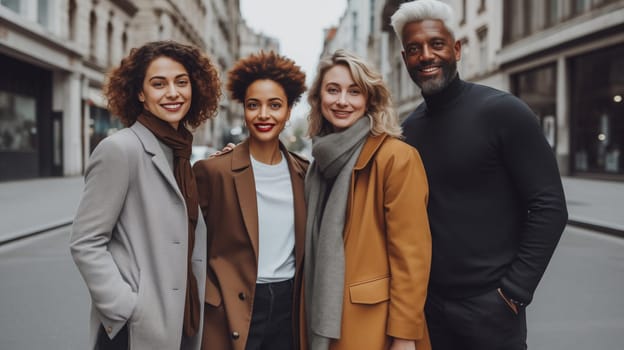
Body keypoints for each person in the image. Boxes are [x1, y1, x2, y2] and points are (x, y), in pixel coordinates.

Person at [390, 1, 569, 349]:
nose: (426, 55)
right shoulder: (407, 131)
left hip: (491, 311)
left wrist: (514, 292)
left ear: (456, 49)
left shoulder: (504, 112)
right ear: (405, 58)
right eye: (414, 49)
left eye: (436, 44)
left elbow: (550, 206)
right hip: (429, 311)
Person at [70, 40, 221, 350]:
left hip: (178, 321)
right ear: (140, 93)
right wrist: (126, 308)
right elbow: (86, 242)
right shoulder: (120, 149)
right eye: (158, 83)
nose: (173, 93)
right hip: (135, 331)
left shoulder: (179, 153)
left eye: (182, 82)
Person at [302, 49, 432, 350]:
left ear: (369, 100)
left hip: (373, 324)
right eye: (333, 90)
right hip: (321, 315)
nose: (342, 101)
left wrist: (404, 337)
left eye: (354, 92)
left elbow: (411, 258)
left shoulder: (396, 158)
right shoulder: (318, 163)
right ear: (319, 98)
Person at [193, 51, 308, 350]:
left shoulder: (305, 175)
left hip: (289, 308)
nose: (263, 115)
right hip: (230, 309)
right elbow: (184, 245)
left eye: (275, 105)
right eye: (253, 105)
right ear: (243, 109)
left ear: (289, 110)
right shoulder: (213, 171)